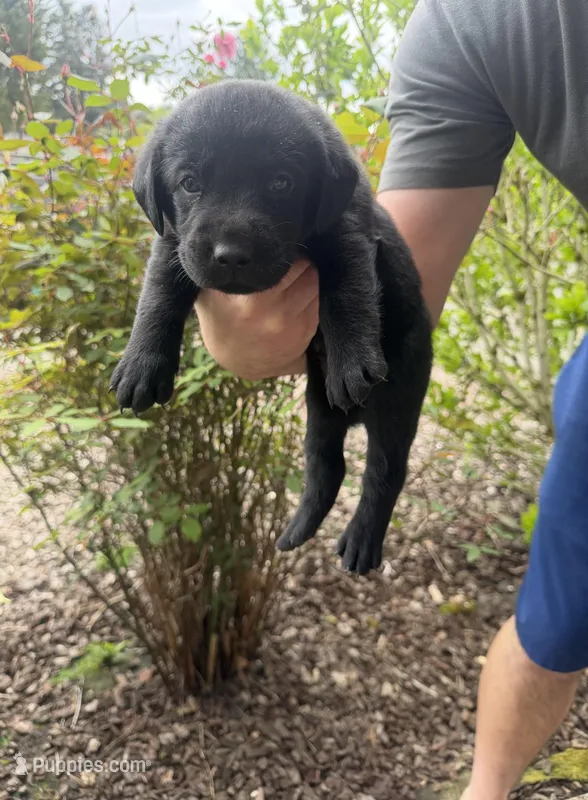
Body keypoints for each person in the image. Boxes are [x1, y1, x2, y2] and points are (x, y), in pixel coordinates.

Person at [194, 1, 588, 798]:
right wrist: (259, 333)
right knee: (552, 628)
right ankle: (486, 789)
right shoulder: (473, 26)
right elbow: (401, 277)